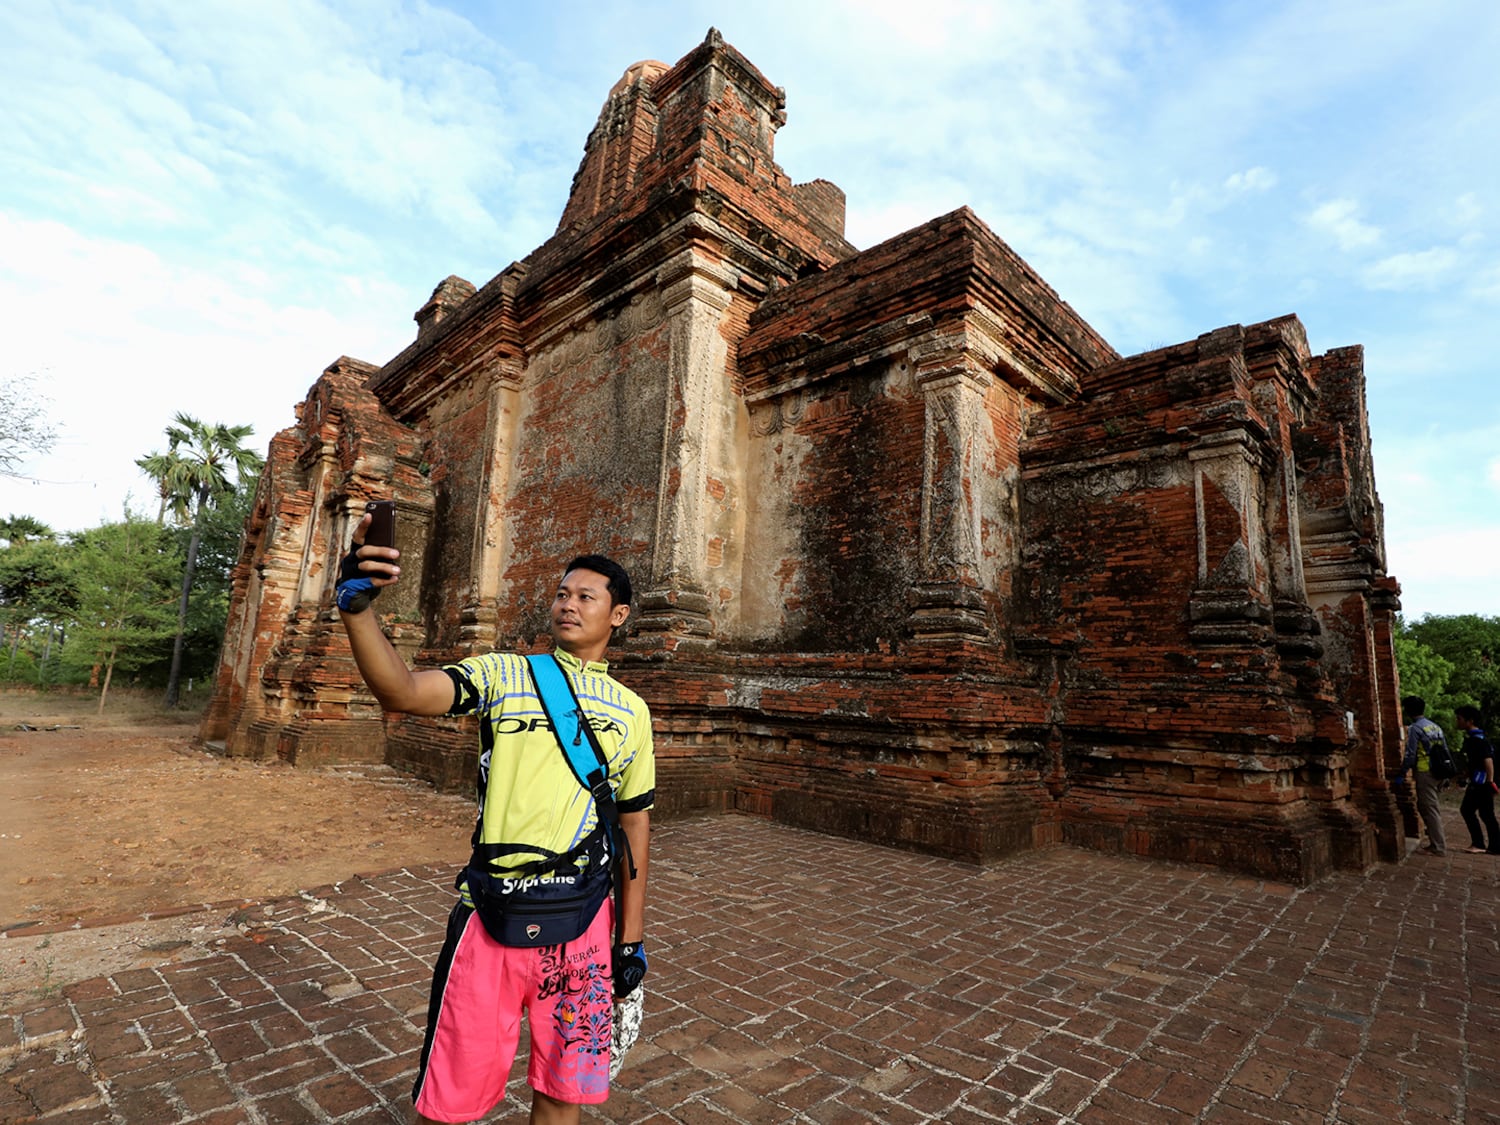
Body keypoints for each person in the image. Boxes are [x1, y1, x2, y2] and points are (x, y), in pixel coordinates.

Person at [336, 511, 654, 1125]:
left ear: (617, 616)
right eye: (562, 593)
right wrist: (357, 610)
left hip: (584, 921)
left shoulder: (632, 711)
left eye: (586, 596)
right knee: (452, 1096)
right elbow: (402, 691)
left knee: (566, 1092)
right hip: (492, 912)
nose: (568, 604)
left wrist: (631, 939)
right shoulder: (503, 673)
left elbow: (635, 828)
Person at [1396, 695, 1449, 857]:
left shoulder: (1415, 729)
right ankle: (1435, 841)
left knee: (1430, 808)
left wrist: (1402, 772)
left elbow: (1410, 754)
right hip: (1439, 771)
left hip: (1425, 771)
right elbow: (1445, 751)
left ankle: (1438, 846)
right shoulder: (1435, 727)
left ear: (1408, 711)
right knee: (1427, 806)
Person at [1456, 705, 1499, 855]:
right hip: (1479, 781)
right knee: (1486, 814)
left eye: (1459, 719)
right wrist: (1465, 775)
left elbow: (1488, 761)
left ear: (1470, 721)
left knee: (1468, 810)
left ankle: (1479, 843)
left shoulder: (1477, 740)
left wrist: (1489, 782)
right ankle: (1494, 845)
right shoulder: (1477, 738)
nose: (1457, 722)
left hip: (1481, 782)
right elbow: (1475, 762)